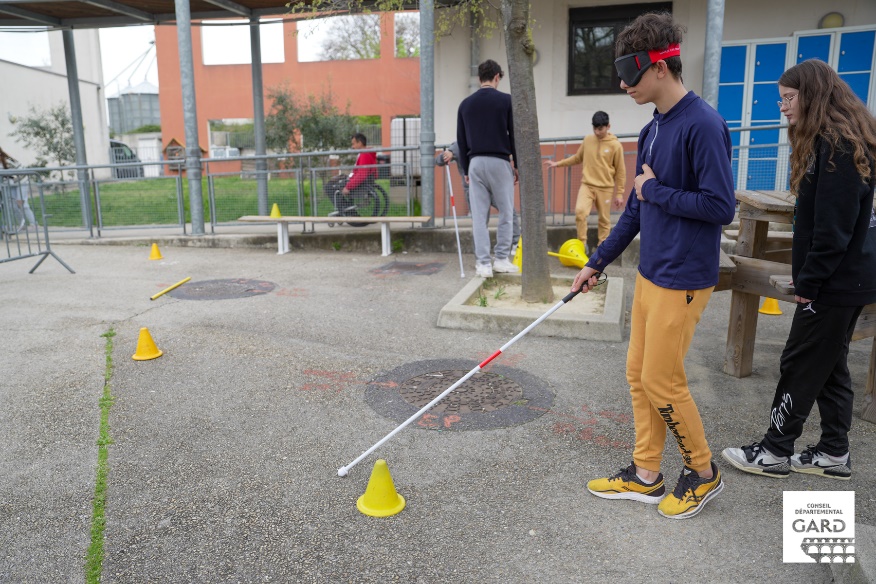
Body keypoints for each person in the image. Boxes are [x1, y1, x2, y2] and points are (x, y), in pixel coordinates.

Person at [570, 12, 736, 519]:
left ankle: (704, 472)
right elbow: (637, 212)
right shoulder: (653, 128)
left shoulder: (704, 124)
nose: (623, 85)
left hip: (684, 277)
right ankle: (646, 474)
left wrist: (654, 189)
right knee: (639, 374)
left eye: (631, 74)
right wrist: (596, 263)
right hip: (650, 272)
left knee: (663, 381)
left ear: (661, 67)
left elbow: (720, 207)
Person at [722, 60, 876, 481]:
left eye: (789, 98)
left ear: (814, 95)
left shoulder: (838, 146)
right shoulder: (834, 140)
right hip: (843, 278)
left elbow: (833, 229)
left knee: (800, 361)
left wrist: (809, 282)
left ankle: (774, 451)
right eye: (781, 98)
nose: (783, 107)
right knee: (830, 365)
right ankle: (833, 454)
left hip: (836, 282)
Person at [456, 59, 519, 278]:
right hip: (499, 161)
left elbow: (461, 141)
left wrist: (465, 170)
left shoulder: (465, 105)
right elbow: (513, 134)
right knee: (506, 212)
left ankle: (483, 264)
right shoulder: (506, 101)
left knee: (479, 216)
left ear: (478, 78)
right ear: (497, 77)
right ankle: (501, 259)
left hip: (475, 163)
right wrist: (517, 164)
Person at [544, 111, 626, 249]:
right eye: (594, 128)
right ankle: (582, 244)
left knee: (604, 220)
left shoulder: (615, 145)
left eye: (600, 129)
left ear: (608, 127)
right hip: (587, 185)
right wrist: (558, 163)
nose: (597, 132)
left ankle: (602, 248)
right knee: (580, 212)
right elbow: (577, 158)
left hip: (605, 187)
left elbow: (620, 171)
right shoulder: (588, 140)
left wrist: (619, 193)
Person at [435, 141, 521, 253]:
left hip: (493, 187)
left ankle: (515, 243)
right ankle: (481, 256)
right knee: (480, 220)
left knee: (509, 211)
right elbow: (438, 161)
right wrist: (447, 155)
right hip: (473, 188)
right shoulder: (459, 145)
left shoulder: (486, 139)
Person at [325, 133, 377, 215]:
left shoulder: (364, 155)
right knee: (332, 183)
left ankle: (347, 213)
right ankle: (345, 211)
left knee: (329, 187)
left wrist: (348, 187)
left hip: (360, 183)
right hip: (356, 180)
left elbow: (361, 175)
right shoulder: (364, 154)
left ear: (359, 143)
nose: (352, 147)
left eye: (353, 144)